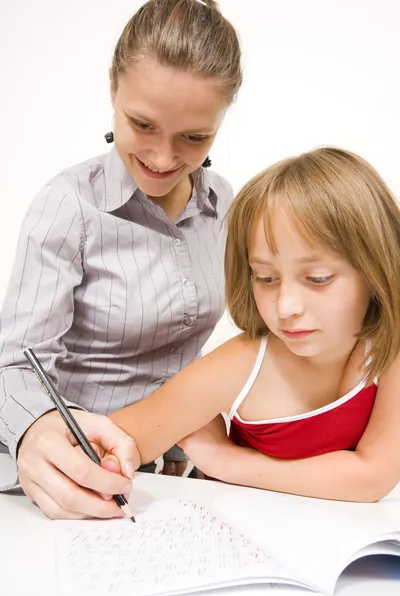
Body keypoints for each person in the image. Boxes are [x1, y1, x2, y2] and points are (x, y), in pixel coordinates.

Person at [0, 0, 242, 519]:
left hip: (186, 481)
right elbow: (14, 365)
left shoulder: (223, 203)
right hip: (78, 477)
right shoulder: (69, 205)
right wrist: (35, 428)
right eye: (142, 124)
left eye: (194, 138)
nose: (161, 158)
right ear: (113, 85)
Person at [109, 147, 400, 502]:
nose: (286, 307)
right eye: (265, 278)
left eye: (318, 278)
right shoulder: (241, 364)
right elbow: (116, 441)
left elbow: (373, 477)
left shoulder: (390, 349)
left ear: (375, 270)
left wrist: (228, 461)